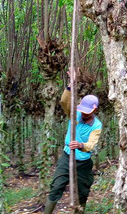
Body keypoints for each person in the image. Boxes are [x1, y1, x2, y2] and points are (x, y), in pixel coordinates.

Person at [43, 84, 103, 214]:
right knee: (56, 186)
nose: (83, 114)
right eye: (82, 111)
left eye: (87, 112)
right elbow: (64, 101)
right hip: (67, 157)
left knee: (83, 191)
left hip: (84, 162)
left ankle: (79, 211)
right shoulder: (74, 114)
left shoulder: (97, 125)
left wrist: (81, 145)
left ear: (94, 110)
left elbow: (91, 144)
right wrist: (70, 87)